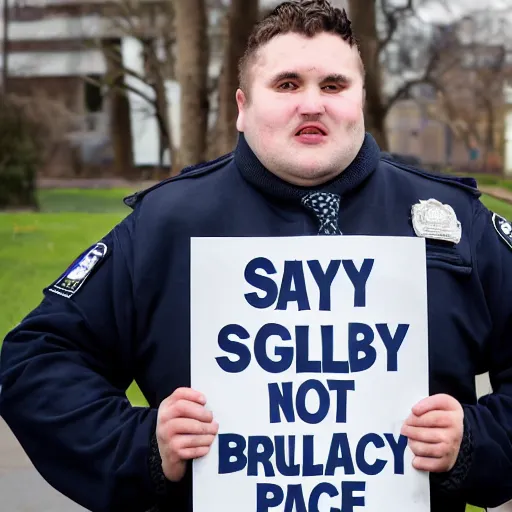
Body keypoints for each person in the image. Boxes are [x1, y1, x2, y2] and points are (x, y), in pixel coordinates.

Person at [1, 1, 512, 511]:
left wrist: (474, 444)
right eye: (287, 84)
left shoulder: (452, 220)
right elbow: (35, 363)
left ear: (360, 99)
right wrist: (144, 446)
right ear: (243, 107)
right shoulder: (167, 225)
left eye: (333, 85)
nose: (312, 105)